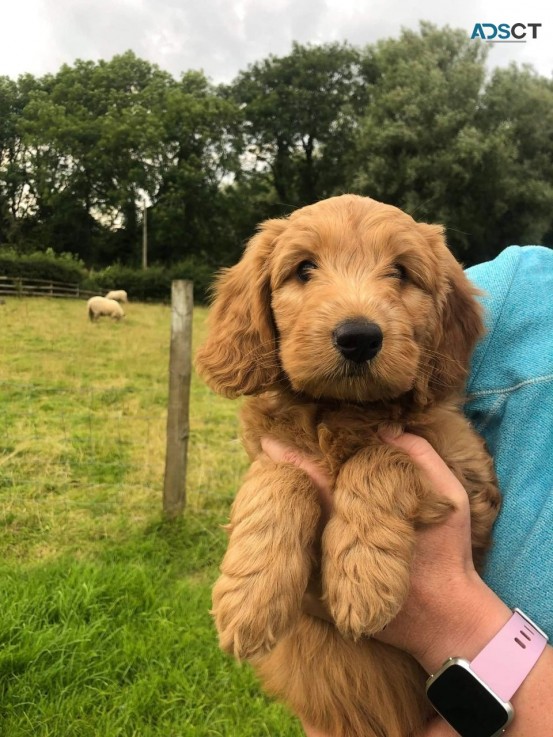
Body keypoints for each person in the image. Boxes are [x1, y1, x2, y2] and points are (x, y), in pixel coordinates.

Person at [261, 245, 553, 736]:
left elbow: (458, 468)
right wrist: (276, 503)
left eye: (397, 274)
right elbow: (287, 445)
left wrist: (448, 614)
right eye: (305, 270)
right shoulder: (518, 291)